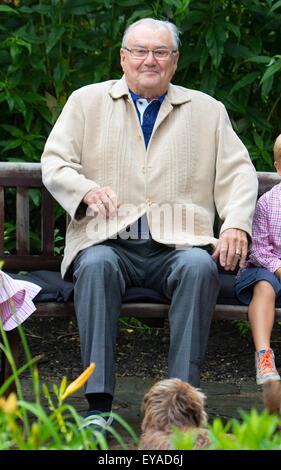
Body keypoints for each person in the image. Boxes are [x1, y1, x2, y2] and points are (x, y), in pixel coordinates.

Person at [41, 18, 258, 430]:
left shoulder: (208, 110)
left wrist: (235, 224)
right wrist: (85, 190)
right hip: (108, 238)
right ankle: (98, 408)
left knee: (199, 267)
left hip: (179, 244)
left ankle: (177, 413)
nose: (149, 60)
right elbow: (55, 162)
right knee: (97, 265)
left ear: (174, 62)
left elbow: (239, 174)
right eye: (139, 51)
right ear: (123, 58)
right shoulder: (86, 101)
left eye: (160, 52)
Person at [235, 135, 281, 386]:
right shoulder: (267, 203)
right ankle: (264, 357)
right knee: (264, 286)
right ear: (278, 167)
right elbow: (259, 251)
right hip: (263, 270)